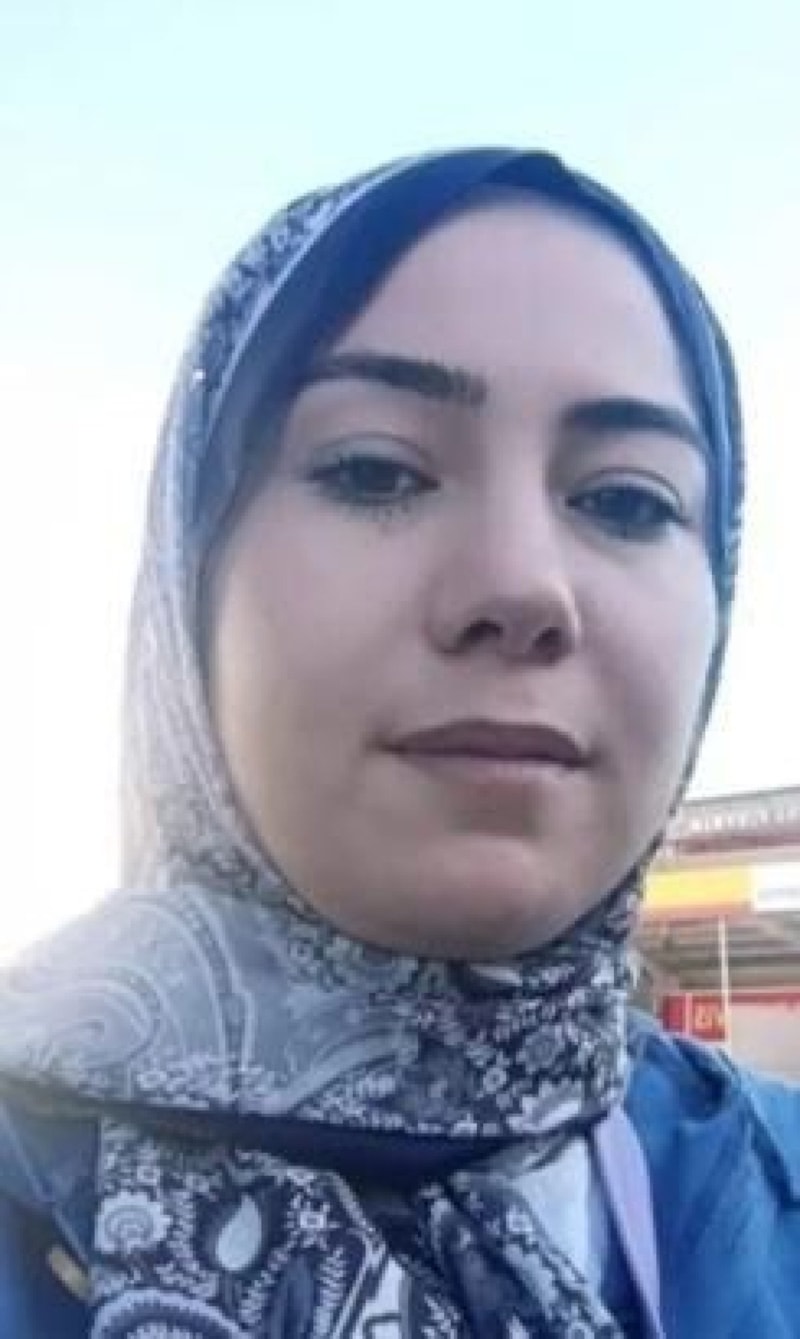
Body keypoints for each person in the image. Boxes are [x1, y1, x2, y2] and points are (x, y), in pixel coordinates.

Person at [0, 147, 797, 1339]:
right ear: (190, 576)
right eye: (374, 470)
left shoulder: (765, 1184)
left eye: (625, 499)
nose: (521, 586)